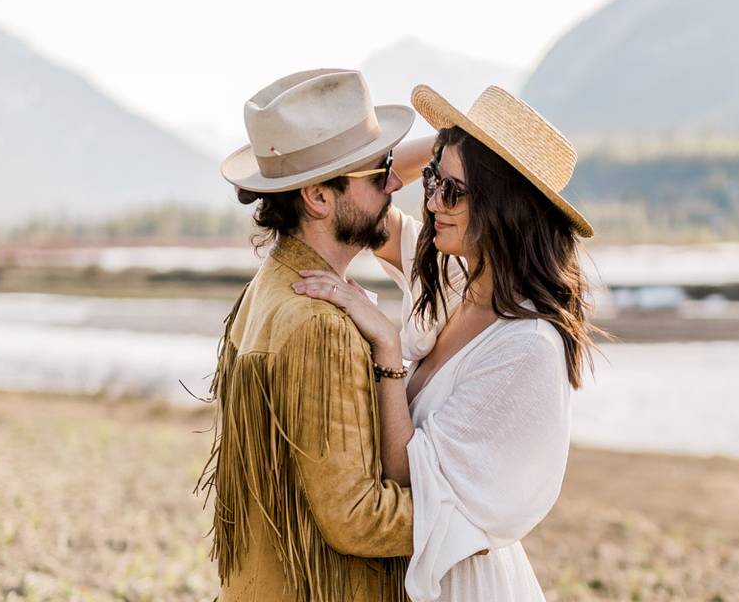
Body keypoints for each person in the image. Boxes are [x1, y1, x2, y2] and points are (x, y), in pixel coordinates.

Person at [292, 84, 599, 601]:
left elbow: (404, 474)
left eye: (452, 192)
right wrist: (455, 141)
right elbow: (370, 201)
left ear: (506, 208)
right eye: (432, 181)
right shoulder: (454, 280)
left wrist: (387, 349)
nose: (431, 202)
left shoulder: (527, 350)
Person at [195, 68, 423, 602]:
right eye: (381, 172)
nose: (395, 183)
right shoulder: (322, 325)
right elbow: (355, 518)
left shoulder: (266, 288)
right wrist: (472, 518)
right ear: (319, 196)